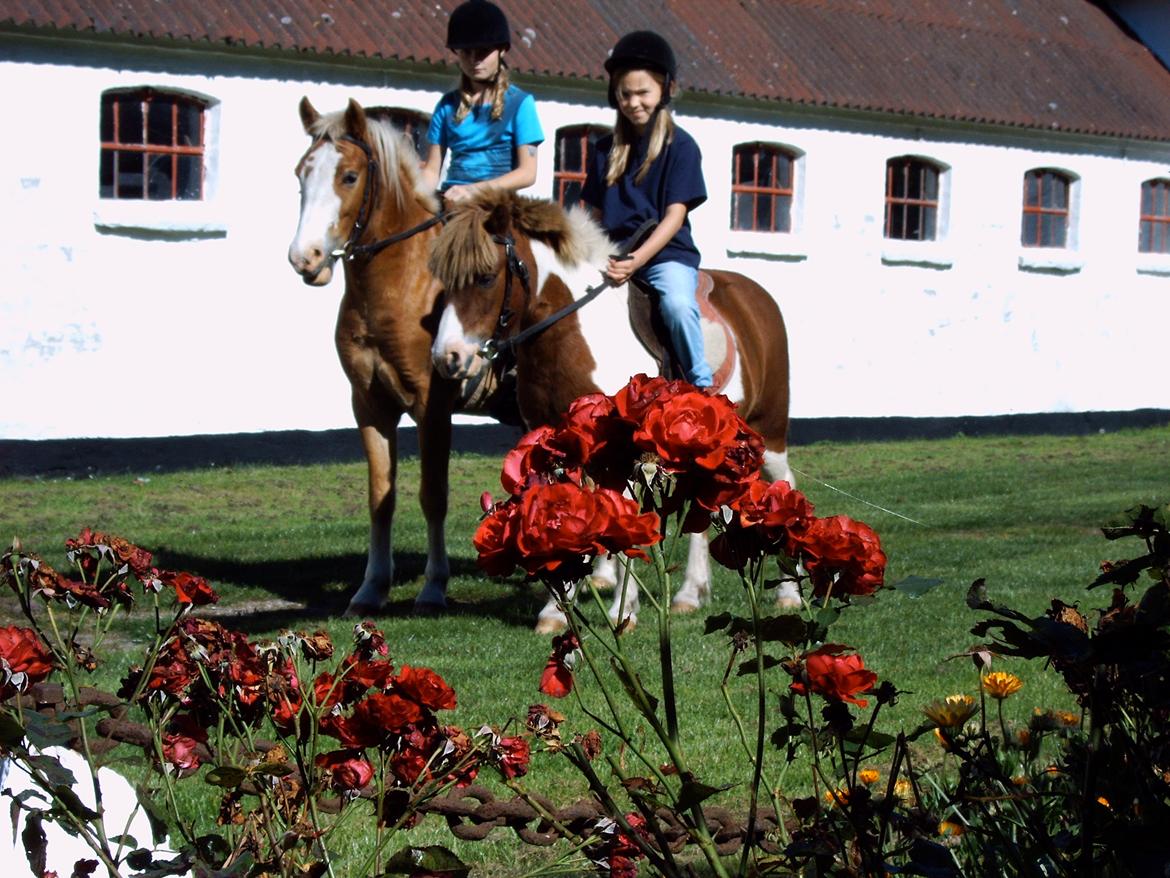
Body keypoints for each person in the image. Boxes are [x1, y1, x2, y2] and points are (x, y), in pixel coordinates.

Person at [580, 30, 713, 389]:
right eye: (625, 93)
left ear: (665, 90)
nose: (633, 102)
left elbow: (675, 217)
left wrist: (636, 261)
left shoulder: (682, 147)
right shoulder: (603, 149)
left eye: (643, 93)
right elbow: (591, 214)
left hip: (664, 256)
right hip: (610, 255)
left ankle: (702, 384)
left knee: (677, 306)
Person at [422, 0, 543, 203]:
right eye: (466, 52)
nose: (474, 60)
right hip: (452, 201)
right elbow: (432, 172)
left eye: (483, 52)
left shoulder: (521, 104)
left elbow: (527, 173)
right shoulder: (446, 106)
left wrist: (474, 190)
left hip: (497, 206)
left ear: (502, 50)